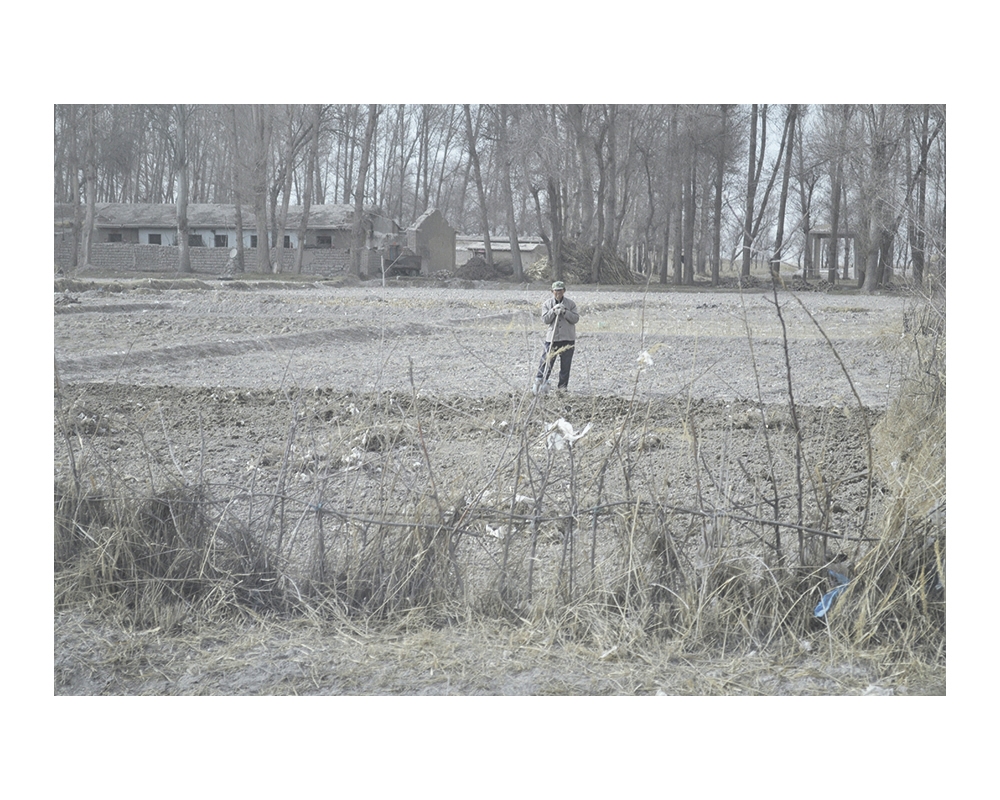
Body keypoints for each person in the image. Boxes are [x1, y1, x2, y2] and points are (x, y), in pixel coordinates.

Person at [533, 281, 580, 394]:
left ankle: (562, 388)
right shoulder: (547, 304)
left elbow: (575, 319)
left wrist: (565, 312)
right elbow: (545, 320)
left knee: (565, 365)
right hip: (552, 339)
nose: (558, 293)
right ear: (552, 291)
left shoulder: (571, 304)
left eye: (560, 290)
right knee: (546, 362)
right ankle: (540, 383)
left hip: (567, 338)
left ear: (564, 291)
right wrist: (553, 311)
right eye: (556, 291)